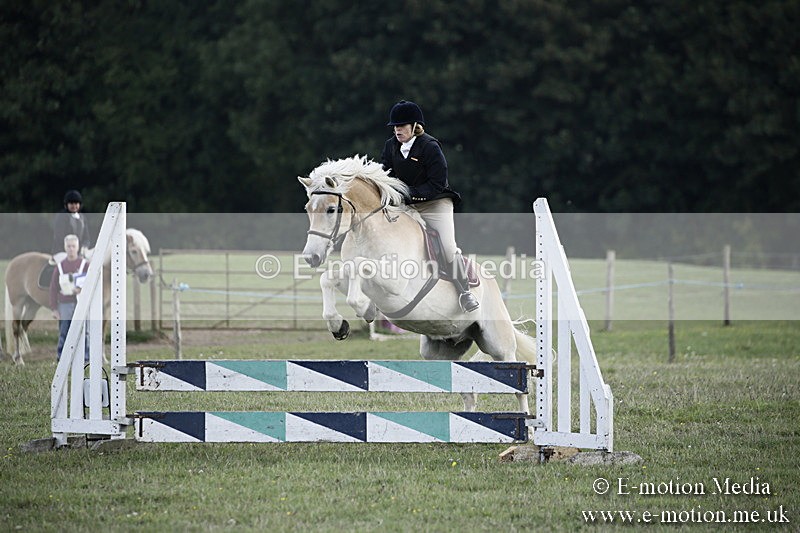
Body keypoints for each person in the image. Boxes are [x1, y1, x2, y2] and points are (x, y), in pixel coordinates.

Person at [380, 100, 479, 312]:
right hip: (405, 204)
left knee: (448, 247)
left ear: (414, 126)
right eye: (395, 126)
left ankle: (465, 293)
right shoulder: (391, 146)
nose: (397, 130)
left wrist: (407, 195)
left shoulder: (430, 146)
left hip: (435, 203)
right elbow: (385, 175)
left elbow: (437, 183)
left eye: (402, 125)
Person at [50, 234, 90, 361]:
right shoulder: (60, 266)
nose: (71, 249)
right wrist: (54, 309)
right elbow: (53, 288)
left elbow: (91, 284)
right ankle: (61, 357)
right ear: (65, 247)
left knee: (84, 331)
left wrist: (82, 290)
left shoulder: (85, 265)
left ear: (77, 247)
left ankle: (86, 357)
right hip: (65, 304)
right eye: (68, 246)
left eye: (73, 246)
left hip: (81, 304)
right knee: (64, 331)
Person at [52, 189, 91, 263]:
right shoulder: (62, 217)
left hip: (78, 252)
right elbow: (59, 237)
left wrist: (84, 247)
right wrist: (72, 250)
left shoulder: (82, 218)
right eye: (71, 203)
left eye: (76, 203)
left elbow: (86, 238)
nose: (74, 206)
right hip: (62, 251)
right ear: (66, 205)